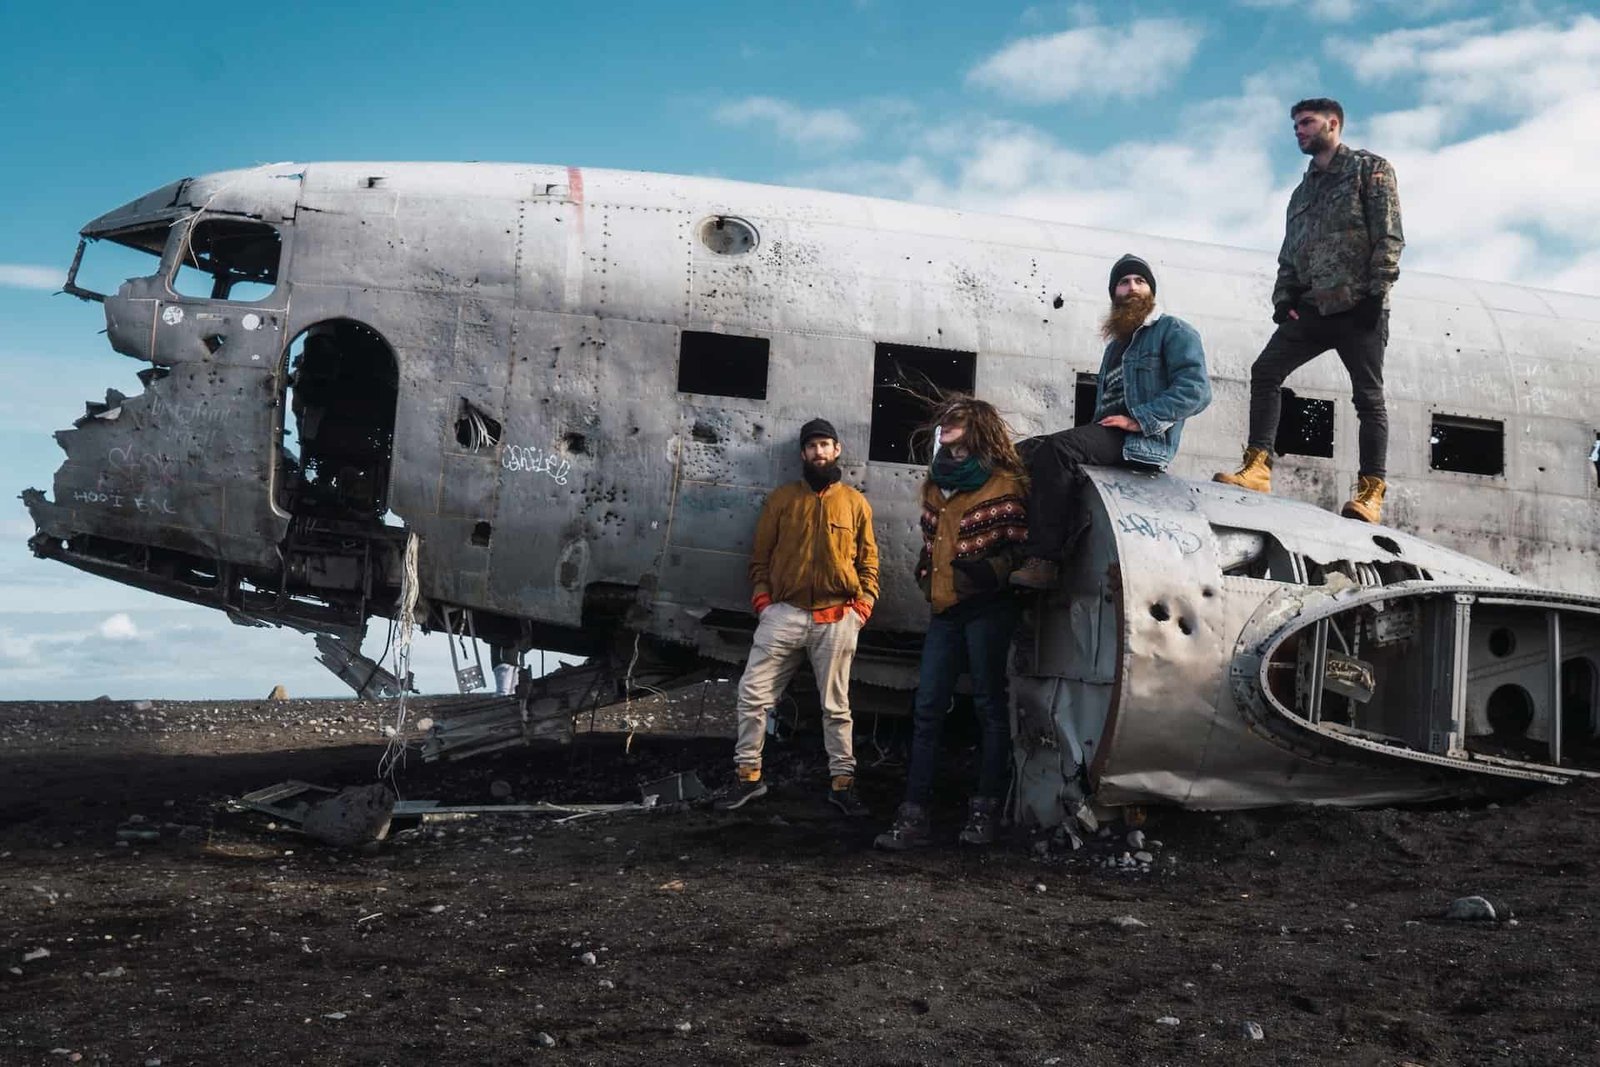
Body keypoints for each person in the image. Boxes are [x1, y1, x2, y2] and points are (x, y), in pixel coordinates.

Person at [1215, 97, 1404, 524]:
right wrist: (1285, 300)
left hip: (1359, 309)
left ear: (1332, 124)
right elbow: (1290, 253)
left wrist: (1376, 295)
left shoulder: (1368, 170)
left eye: (1306, 123)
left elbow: (1389, 235)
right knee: (1266, 371)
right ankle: (1258, 467)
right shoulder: (1301, 193)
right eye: (1296, 124)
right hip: (1314, 309)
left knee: (1368, 399)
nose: (1298, 131)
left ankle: (1371, 493)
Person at [875, 398, 1028, 850]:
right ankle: (914, 815)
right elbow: (930, 541)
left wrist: (988, 574)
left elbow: (1022, 548)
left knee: (988, 707)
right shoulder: (935, 483)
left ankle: (984, 812)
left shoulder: (1006, 484)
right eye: (945, 427)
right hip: (944, 610)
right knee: (926, 709)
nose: (946, 434)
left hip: (987, 610)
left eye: (956, 428)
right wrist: (926, 574)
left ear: (976, 432)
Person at [1010, 254, 1212, 589]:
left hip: (1141, 441)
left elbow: (1197, 391)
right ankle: (1025, 546)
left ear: (1151, 291)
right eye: (1123, 282)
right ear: (1113, 293)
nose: (1132, 287)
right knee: (1024, 453)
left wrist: (1140, 419)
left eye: (1139, 281)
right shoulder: (1116, 346)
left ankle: (1044, 561)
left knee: (1060, 450)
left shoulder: (1173, 331)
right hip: (1108, 433)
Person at [714, 418, 879, 816]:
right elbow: (761, 557)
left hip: (837, 617)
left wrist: (862, 607)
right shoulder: (782, 499)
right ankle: (748, 778)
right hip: (783, 615)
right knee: (752, 696)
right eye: (812, 447)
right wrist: (764, 604)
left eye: (825, 444)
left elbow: (869, 561)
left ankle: (842, 784)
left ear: (837, 450)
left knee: (836, 708)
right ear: (803, 454)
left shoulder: (855, 503)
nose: (819, 452)